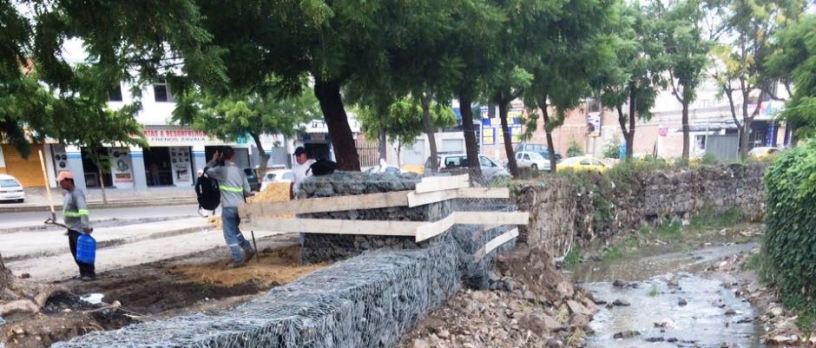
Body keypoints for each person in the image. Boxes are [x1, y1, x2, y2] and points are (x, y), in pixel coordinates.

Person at [205, 146, 255, 268]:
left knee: (229, 234)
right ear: (233, 156)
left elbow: (207, 171)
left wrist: (214, 160)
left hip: (228, 207)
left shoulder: (221, 170)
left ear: (222, 156)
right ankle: (248, 248)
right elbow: (247, 191)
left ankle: (237, 258)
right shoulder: (240, 171)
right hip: (240, 207)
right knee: (235, 230)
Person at [57, 171, 95, 281]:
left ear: (69, 181)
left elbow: (83, 211)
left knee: (83, 252)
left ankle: (89, 273)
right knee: (76, 253)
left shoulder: (77, 194)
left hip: (79, 229)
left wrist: (85, 227)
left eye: (62, 182)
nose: (61, 184)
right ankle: (83, 273)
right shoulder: (67, 194)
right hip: (71, 228)